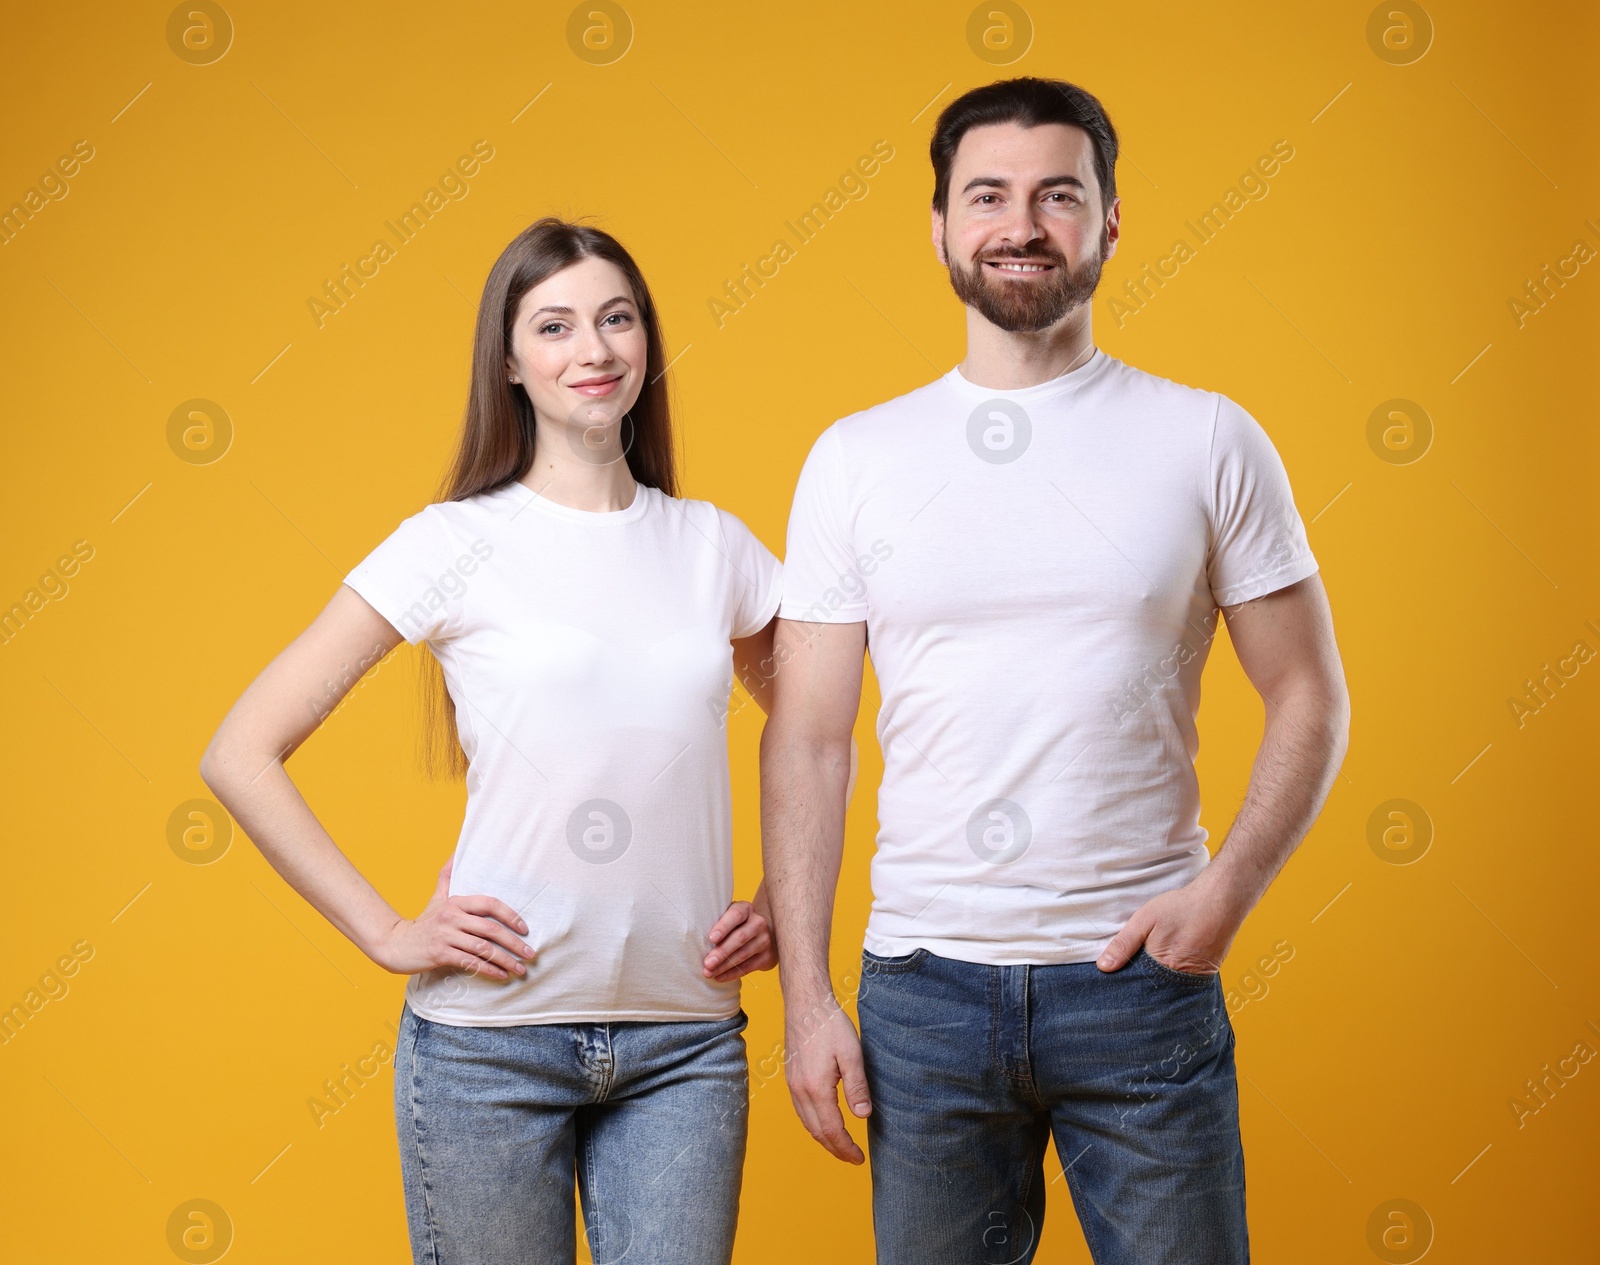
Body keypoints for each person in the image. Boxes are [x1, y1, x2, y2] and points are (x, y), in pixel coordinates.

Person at [760, 77, 1351, 1264]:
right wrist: (808, 997)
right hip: (921, 991)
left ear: (1110, 221)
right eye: (986, 195)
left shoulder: (1207, 438)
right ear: (937, 227)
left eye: (1055, 196)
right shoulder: (855, 458)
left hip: (1138, 981)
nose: (1019, 224)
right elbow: (810, 738)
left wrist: (1222, 896)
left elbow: (1308, 693)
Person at [200, 217, 784, 1265]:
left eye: (615, 319)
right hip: (487, 1051)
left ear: (647, 344)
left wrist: (785, 898)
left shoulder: (715, 548)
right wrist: (385, 930)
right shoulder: (453, 545)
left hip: (685, 1042)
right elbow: (240, 749)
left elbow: (816, 729)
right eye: (553, 326)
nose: (591, 351)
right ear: (510, 363)